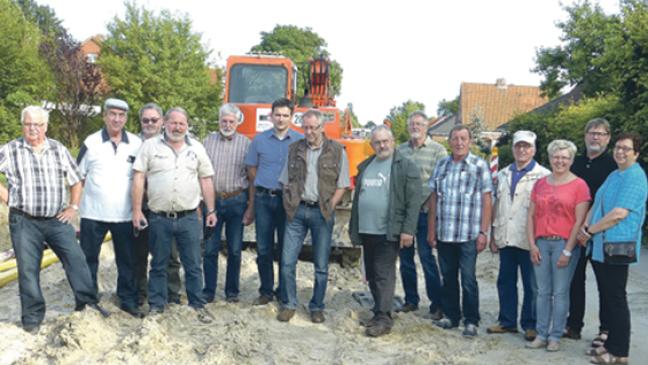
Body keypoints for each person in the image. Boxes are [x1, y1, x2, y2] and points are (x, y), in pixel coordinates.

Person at [0, 106, 110, 332]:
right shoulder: (10, 150)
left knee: (76, 260)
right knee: (28, 270)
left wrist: (73, 206)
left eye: (38, 125)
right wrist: (6, 197)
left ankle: (87, 303)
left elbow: (76, 180)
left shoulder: (58, 149)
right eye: (28, 124)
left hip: (56, 220)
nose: (33, 129)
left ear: (45, 127)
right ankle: (32, 318)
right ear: (23, 125)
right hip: (24, 220)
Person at [132, 107, 216, 323]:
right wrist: (136, 209)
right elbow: (139, 178)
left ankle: (197, 304)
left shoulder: (196, 148)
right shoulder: (150, 147)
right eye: (173, 123)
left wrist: (211, 210)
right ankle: (157, 306)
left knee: (193, 264)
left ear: (187, 125)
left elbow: (206, 179)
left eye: (182, 123)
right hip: (159, 217)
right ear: (165, 124)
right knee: (158, 263)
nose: (177, 127)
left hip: (189, 217)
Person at [577, 133, 647, 365]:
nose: (620, 152)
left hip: (618, 245)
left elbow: (619, 214)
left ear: (636, 153)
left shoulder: (635, 177)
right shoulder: (615, 174)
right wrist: (585, 227)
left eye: (626, 149)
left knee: (616, 298)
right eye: (618, 147)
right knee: (607, 296)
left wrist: (590, 231)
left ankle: (620, 352)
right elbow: (597, 202)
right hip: (600, 246)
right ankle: (609, 344)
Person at [277, 109, 350, 323]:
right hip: (297, 211)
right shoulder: (294, 149)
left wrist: (330, 205)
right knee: (287, 261)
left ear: (321, 127)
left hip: (322, 213)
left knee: (321, 265)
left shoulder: (337, 151)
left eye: (313, 128)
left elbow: (342, 184)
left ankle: (317, 306)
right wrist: (290, 202)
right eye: (305, 127)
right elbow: (285, 181)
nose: (309, 132)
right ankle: (289, 304)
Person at [349, 126, 422, 337]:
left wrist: (408, 230)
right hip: (367, 230)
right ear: (371, 145)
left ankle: (384, 318)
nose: (382, 145)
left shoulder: (405, 166)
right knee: (371, 274)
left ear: (393, 141)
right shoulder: (366, 165)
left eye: (385, 141)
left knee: (383, 274)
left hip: (388, 231)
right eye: (377, 142)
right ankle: (378, 311)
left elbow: (413, 201)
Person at [77, 98, 143, 318]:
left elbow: (140, 178)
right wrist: (75, 207)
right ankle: (87, 301)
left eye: (121, 115)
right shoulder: (91, 142)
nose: (116, 119)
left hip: (124, 215)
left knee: (127, 260)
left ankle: (127, 300)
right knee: (89, 260)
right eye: (112, 114)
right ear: (104, 116)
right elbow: (78, 177)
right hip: (92, 214)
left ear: (126, 118)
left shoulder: (136, 143)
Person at [428, 125, 493, 337]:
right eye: (455, 138)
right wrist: (431, 230)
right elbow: (434, 199)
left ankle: (471, 319)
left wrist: (484, 232)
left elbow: (486, 199)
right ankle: (451, 316)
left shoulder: (479, 165)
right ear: (449, 141)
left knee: (468, 279)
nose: (459, 142)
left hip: (468, 234)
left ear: (470, 141)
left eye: (463, 138)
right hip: (445, 233)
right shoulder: (442, 165)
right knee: (448, 278)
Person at [525, 139, 590, 352]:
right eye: (556, 156)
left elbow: (579, 221)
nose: (560, 161)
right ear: (550, 158)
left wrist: (568, 250)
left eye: (564, 157)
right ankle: (541, 334)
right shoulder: (541, 184)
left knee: (560, 292)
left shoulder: (579, 185)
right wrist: (532, 245)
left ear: (571, 160)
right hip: (542, 243)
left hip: (564, 243)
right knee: (542, 291)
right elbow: (531, 215)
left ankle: (555, 336)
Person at [487, 130, 550, 341]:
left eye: (527, 146)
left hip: (529, 239)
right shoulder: (503, 174)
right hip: (506, 236)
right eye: (518, 146)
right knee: (505, 280)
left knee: (532, 284)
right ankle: (507, 321)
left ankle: (530, 324)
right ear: (513, 148)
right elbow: (497, 204)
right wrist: (494, 234)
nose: (522, 150)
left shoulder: (544, 176)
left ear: (534, 149)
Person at [244, 98, 303, 305]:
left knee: (286, 250)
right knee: (263, 248)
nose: (281, 119)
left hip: (287, 202)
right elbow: (251, 170)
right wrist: (252, 203)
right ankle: (266, 291)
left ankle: (284, 292)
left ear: (292, 117)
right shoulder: (259, 141)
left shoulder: (299, 141)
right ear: (271, 116)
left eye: (285, 115)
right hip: (263, 200)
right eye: (277, 115)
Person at [564, 118, 616, 341]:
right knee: (574, 280)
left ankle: (605, 330)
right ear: (585, 136)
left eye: (601, 134)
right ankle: (574, 325)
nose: (596, 137)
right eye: (592, 133)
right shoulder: (574, 164)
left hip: (601, 232)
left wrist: (592, 228)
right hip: (574, 232)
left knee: (605, 284)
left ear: (608, 138)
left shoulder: (613, 166)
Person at [396, 111, 447, 319]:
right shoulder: (400, 151)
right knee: (405, 259)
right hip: (405, 214)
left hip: (426, 213)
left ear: (427, 127)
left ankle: (437, 303)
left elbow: (440, 182)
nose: (415, 127)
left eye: (419, 124)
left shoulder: (438, 151)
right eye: (412, 124)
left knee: (427, 258)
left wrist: (425, 204)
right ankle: (411, 300)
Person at [132, 102, 182, 306]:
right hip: (139, 209)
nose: (150, 123)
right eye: (146, 120)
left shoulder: (172, 143)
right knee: (139, 255)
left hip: (163, 210)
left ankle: (172, 294)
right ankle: (140, 293)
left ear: (162, 122)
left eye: (154, 120)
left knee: (169, 256)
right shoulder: (132, 144)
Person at [202, 103, 252, 303]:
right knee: (210, 248)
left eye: (231, 121)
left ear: (238, 122)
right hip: (212, 200)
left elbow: (251, 175)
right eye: (224, 120)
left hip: (236, 200)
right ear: (219, 121)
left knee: (234, 248)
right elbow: (201, 173)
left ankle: (232, 291)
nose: (227, 124)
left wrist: (250, 205)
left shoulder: (246, 144)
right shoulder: (208, 142)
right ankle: (209, 290)